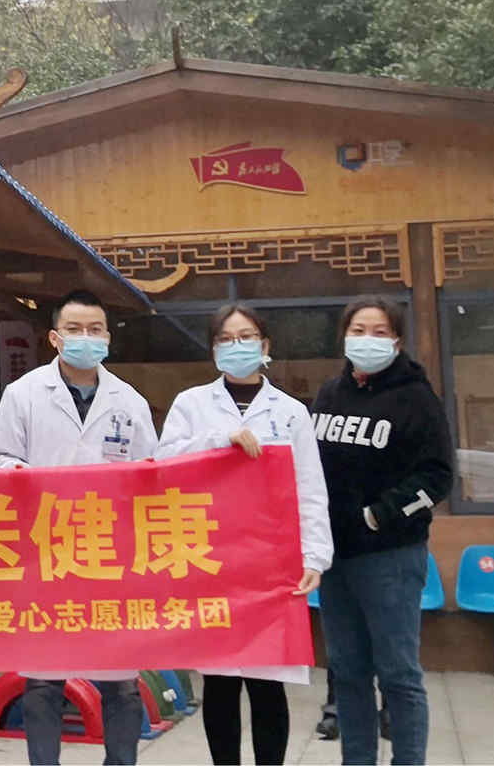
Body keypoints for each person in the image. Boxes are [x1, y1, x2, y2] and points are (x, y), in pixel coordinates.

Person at [154, 303, 332, 766]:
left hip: (272, 562)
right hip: (212, 558)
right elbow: (164, 466)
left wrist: (315, 556)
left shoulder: (291, 412)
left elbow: (310, 487)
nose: (237, 346)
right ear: (213, 349)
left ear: (265, 345)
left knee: (268, 681)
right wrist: (219, 442)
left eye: (246, 337)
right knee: (220, 681)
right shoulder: (191, 404)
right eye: (226, 339)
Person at [0, 289, 158, 766]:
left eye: (95, 330)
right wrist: (15, 472)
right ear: (54, 337)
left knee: (121, 681)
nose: (86, 338)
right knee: (44, 679)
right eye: (75, 330)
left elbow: (154, 472)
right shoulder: (23, 394)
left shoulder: (130, 400)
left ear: (108, 337)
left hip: (110, 555)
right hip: (46, 551)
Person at [311, 296, 450, 766]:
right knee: (348, 673)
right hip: (336, 559)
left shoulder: (417, 399)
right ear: (344, 336)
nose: (366, 340)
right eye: (358, 331)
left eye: (379, 332)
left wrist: (378, 515)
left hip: (391, 557)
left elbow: (438, 477)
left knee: (398, 675)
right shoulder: (330, 394)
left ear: (397, 340)